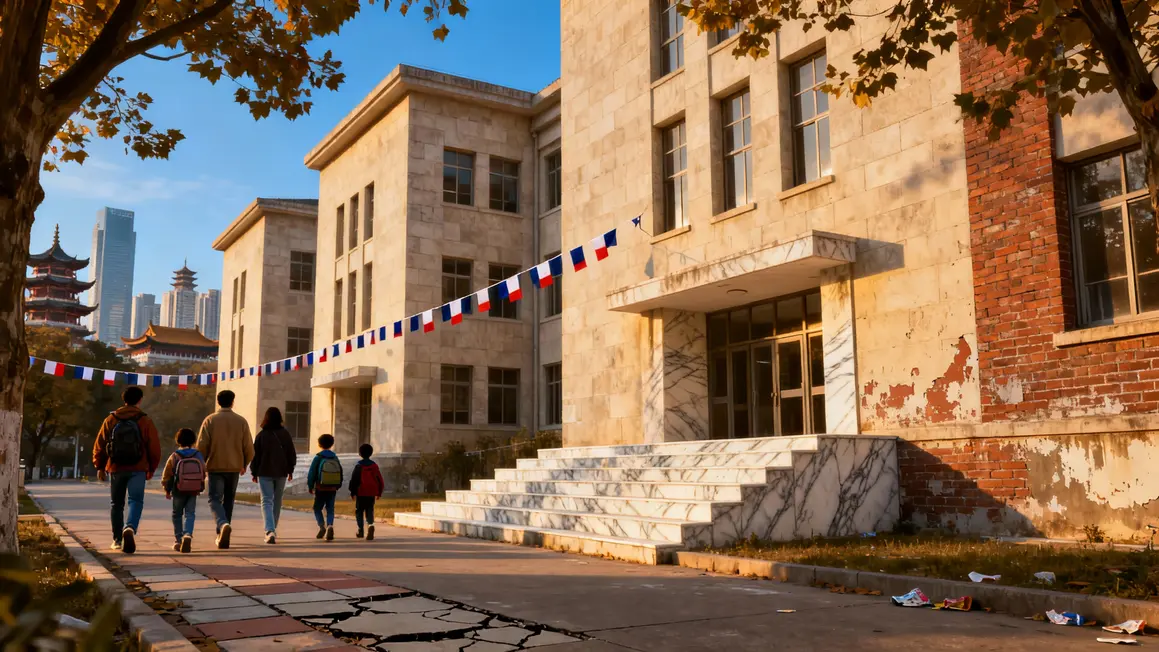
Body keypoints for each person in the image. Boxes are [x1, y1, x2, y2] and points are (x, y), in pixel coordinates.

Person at [92, 386, 161, 554]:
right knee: (135, 501)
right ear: (140, 400)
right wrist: (151, 467)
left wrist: (99, 466)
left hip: (115, 467)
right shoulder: (145, 420)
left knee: (116, 504)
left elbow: (100, 444)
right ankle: (129, 527)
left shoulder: (111, 419)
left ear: (124, 399)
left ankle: (117, 539)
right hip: (138, 467)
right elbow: (154, 447)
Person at [195, 390, 254, 549]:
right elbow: (249, 446)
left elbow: (202, 446)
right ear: (232, 401)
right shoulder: (241, 421)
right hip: (234, 466)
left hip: (215, 466)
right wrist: (244, 463)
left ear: (218, 401)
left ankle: (222, 524)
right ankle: (223, 531)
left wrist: (202, 465)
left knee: (214, 499)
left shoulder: (210, 420)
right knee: (229, 499)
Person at [250, 406, 298, 544]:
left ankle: (269, 530)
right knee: (277, 500)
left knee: (266, 500)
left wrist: (254, 472)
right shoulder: (285, 434)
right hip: (281, 472)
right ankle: (272, 529)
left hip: (264, 472)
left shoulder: (261, 435)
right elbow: (291, 453)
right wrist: (290, 470)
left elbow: (255, 456)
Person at [161, 428, 206, 553]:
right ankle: (188, 534)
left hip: (178, 489)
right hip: (193, 489)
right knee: (190, 513)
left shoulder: (175, 455)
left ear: (178, 441)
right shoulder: (198, 454)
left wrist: (166, 488)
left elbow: (167, 473)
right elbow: (203, 469)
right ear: (193, 440)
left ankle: (178, 539)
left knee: (177, 514)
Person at [307, 434, 342, 541]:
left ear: (319, 444)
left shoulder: (318, 457)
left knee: (317, 508)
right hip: (332, 488)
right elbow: (340, 472)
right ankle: (330, 525)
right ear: (332, 444)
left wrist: (310, 485)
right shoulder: (335, 457)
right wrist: (338, 485)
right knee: (330, 508)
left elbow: (312, 473)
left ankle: (322, 526)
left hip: (320, 487)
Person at [348, 443, 385, 541]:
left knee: (359, 511)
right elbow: (380, 480)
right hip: (371, 492)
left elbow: (354, 480)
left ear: (360, 453)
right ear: (371, 453)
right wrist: (379, 492)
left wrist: (352, 492)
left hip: (361, 492)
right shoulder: (374, 466)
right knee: (369, 509)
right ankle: (370, 525)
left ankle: (360, 530)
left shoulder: (358, 466)